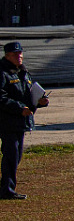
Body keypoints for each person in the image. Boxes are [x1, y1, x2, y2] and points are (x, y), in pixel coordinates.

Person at [0, 42, 48, 200]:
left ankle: (7, 187)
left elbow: (28, 95)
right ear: (7, 56)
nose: (19, 56)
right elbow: (1, 98)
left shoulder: (24, 73)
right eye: (15, 54)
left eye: (20, 53)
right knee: (11, 155)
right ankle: (6, 190)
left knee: (16, 155)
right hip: (7, 121)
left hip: (21, 121)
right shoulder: (3, 73)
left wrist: (39, 102)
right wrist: (19, 108)